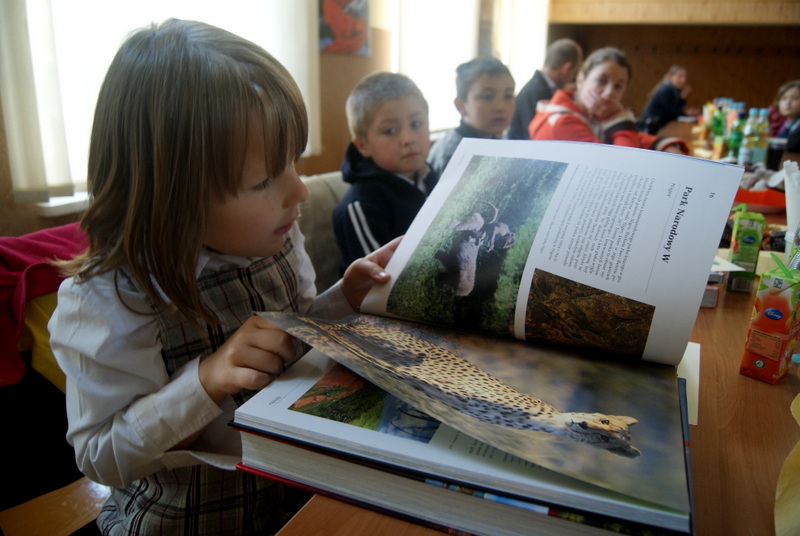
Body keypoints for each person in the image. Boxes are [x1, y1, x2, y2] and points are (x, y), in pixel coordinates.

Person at [48, 19, 398, 535]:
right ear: (173, 198)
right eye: (263, 180)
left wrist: (342, 298)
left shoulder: (276, 237)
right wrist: (205, 382)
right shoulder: (108, 300)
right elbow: (100, 458)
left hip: (290, 499)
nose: (299, 192)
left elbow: (290, 335)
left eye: (294, 164)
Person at [333, 72, 438, 272]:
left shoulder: (433, 178)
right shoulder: (360, 206)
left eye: (416, 124)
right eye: (390, 130)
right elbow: (380, 280)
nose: (408, 138)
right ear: (363, 145)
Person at [527, 47, 687, 154]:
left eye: (618, 86)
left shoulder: (586, 112)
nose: (609, 92)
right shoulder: (561, 121)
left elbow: (625, 140)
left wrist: (662, 145)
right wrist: (619, 119)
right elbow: (623, 167)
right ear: (581, 80)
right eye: (601, 81)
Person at [428, 56, 515, 176]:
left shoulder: (497, 140)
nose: (500, 107)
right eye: (487, 97)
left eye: (508, 96)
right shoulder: (454, 155)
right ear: (460, 106)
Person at [506, 38, 583, 140]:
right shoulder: (534, 92)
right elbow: (532, 136)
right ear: (567, 69)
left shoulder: (541, 87)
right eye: (574, 72)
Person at [639, 64, 698, 134]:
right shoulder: (666, 90)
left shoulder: (673, 90)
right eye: (680, 76)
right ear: (670, 77)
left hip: (659, 126)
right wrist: (683, 97)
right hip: (652, 128)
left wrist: (684, 112)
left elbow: (675, 110)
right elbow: (673, 113)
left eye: (685, 77)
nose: (684, 80)